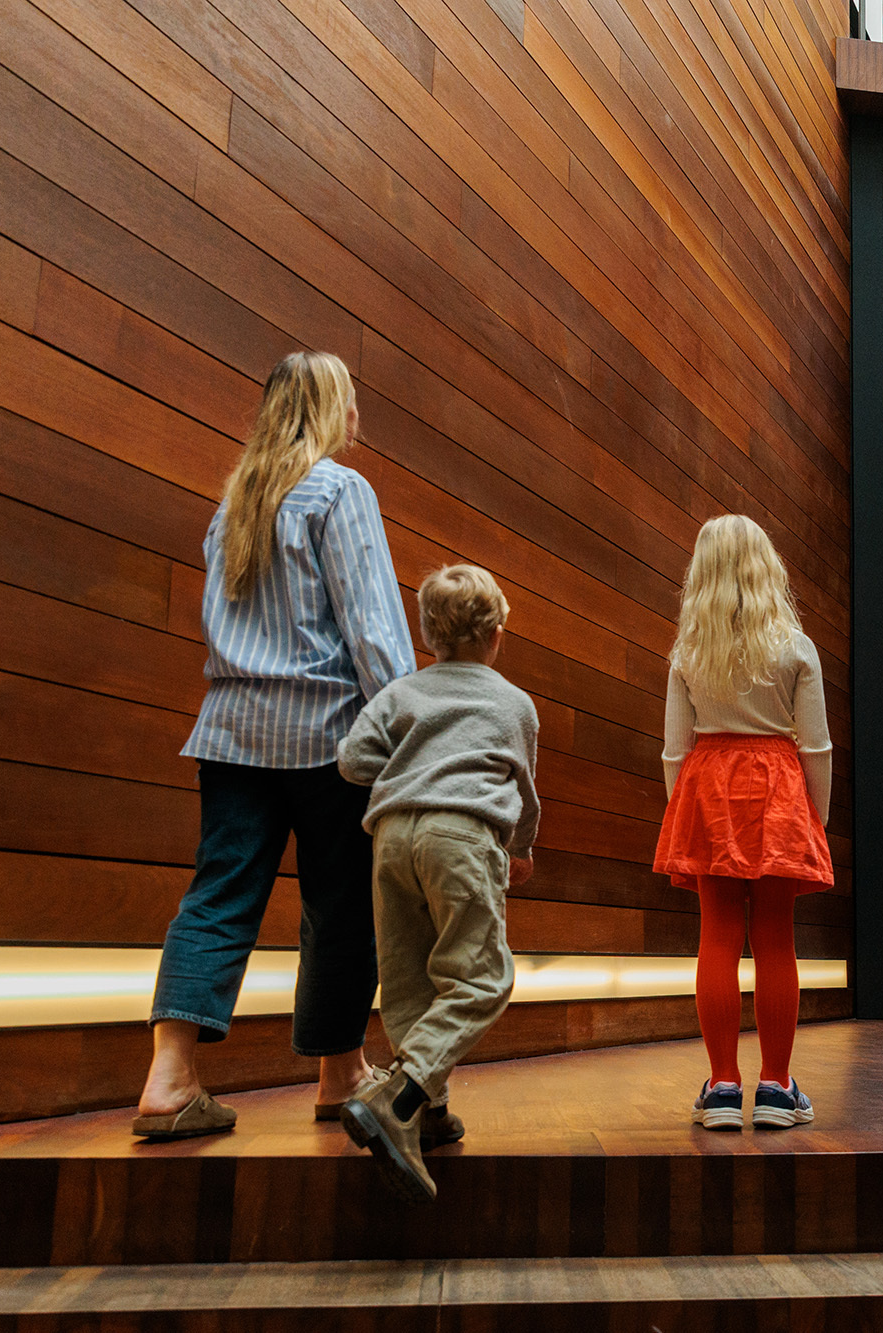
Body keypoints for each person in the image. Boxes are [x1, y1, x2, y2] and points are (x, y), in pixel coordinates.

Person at [132, 350, 415, 1141]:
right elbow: (374, 630)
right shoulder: (340, 491)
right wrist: (407, 732)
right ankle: (339, 1071)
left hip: (230, 736)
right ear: (330, 408)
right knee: (339, 905)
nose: (358, 417)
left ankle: (170, 1075)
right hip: (330, 739)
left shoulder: (235, 504)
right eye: (351, 401)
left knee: (218, 895)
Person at [335, 564, 539, 1202]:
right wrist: (522, 848)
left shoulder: (400, 693)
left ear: (429, 635)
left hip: (391, 838)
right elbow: (523, 788)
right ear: (497, 635)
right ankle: (401, 1093)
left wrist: (407, 770)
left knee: (407, 978)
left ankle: (427, 1112)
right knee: (481, 977)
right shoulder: (513, 702)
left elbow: (351, 761)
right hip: (462, 835)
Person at [652, 515, 834, 1131]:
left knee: (718, 937)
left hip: (708, 787)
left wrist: (687, 816)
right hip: (779, 789)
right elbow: (816, 747)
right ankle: (778, 1089)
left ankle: (723, 1087)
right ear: (766, 566)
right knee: (776, 938)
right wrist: (816, 819)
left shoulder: (688, 649)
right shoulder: (795, 646)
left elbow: (675, 751)